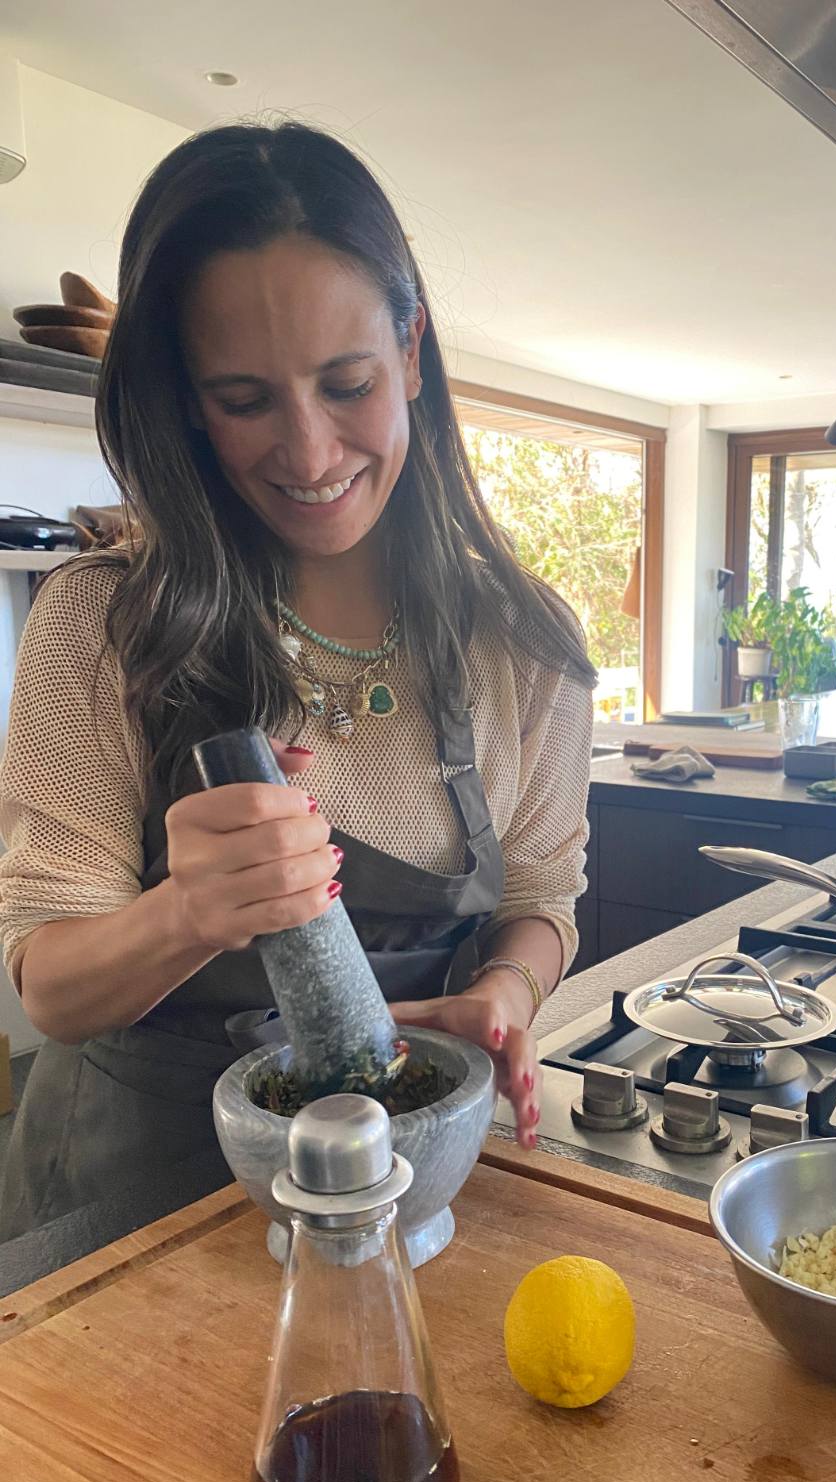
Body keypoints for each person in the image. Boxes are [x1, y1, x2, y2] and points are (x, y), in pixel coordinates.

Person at [0, 121, 596, 1238]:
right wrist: (188, 914)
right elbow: (47, 982)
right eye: (244, 399)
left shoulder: (524, 644)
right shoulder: (101, 624)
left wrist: (506, 993)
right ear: (183, 396)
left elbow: (540, 898)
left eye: (347, 382)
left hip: (399, 1198)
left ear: (411, 352)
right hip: (125, 1217)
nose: (313, 454)